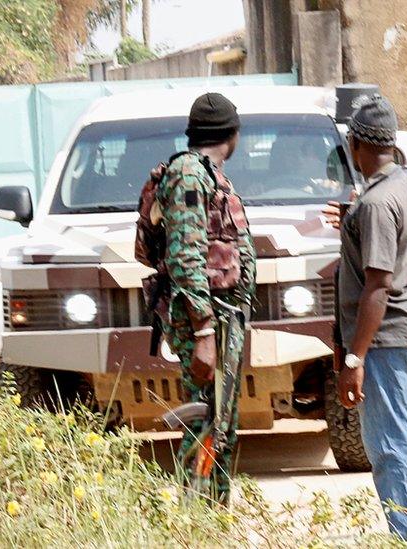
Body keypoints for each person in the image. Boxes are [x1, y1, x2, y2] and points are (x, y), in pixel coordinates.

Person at [335, 94, 407, 548]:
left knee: (389, 448)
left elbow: (377, 284)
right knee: (396, 443)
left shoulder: (376, 203)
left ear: (355, 144)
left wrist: (354, 357)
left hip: (385, 336)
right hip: (405, 330)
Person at [159, 92, 256, 503]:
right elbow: (185, 255)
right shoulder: (189, 174)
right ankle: (193, 514)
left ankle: (212, 512)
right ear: (232, 135)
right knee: (205, 419)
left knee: (220, 422)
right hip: (206, 318)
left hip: (222, 316)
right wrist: (203, 331)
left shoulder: (208, 174)